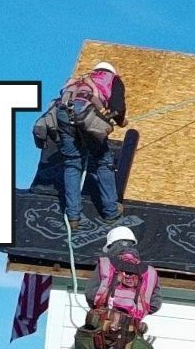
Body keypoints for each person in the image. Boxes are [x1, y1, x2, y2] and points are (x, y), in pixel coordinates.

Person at [33, 61, 128, 227]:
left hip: (63, 114)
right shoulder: (113, 79)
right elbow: (117, 107)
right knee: (103, 162)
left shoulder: (81, 80)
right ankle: (111, 211)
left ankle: (73, 217)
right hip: (86, 115)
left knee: (72, 164)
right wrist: (121, 121)